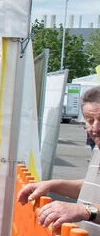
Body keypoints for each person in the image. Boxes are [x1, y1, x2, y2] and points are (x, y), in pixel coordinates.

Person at [18, 86, 100, 228]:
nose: (96, 128)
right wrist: (53, 185)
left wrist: (83, 210)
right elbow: (91, 188)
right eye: (90, 120)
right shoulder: (97, 150)